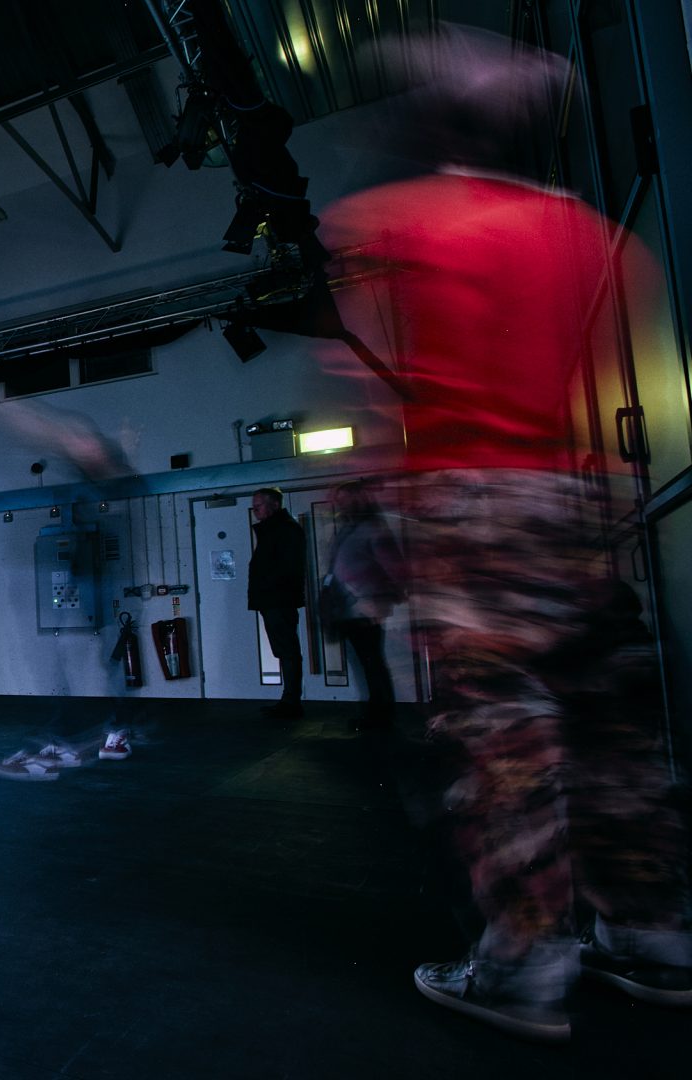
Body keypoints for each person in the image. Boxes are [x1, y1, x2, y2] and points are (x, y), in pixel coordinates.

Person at [322, 27, 691, 1041]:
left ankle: (524, 967)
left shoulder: (390, 225)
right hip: (579, 505)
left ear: (435, 124)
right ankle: (652, 935)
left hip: (469, 515)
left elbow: (380, 392)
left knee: (507, 746)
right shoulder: (604, 242)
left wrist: (374, 529)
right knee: (613, 736)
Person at [322, 480, 402, 731]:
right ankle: (377, 712)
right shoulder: (352, 528)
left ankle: (380, 715)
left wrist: (381, 600)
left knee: (371, 662)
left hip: (363, 607)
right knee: (368, 662)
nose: (338, 504)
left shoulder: (369, 529)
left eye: (343, 499)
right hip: (351, 607)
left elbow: (394, 567)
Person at [247, 487, 306, 719]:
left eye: (258, 505)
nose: (255, 510)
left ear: (274, 504)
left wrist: (267, 588)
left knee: (286, 649)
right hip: (276, 598)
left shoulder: (282, 530)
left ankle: (291, 700)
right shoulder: (282, 529)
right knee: (285, 649)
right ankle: (290, 699)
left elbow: (285, 567)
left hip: (277, 599)